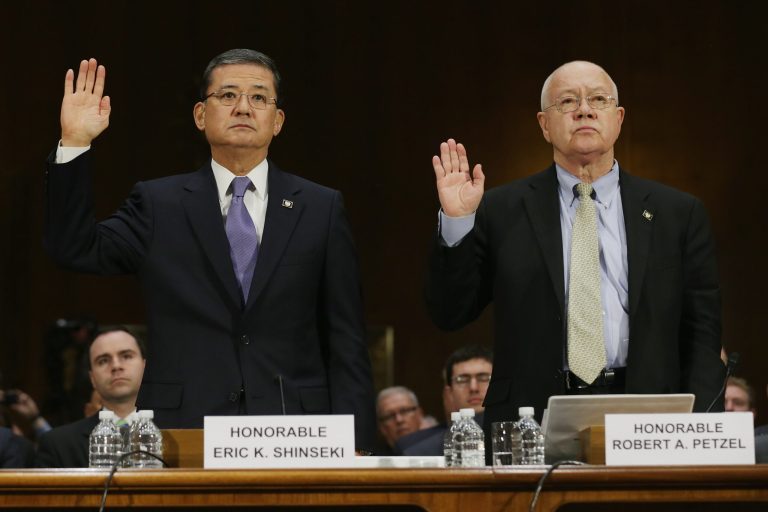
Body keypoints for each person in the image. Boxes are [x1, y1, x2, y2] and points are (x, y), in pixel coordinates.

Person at [44, 49, 375, 451]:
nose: (243, 107)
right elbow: (75, 248)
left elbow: (346, 339)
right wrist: (75, 144)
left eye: (258, 97)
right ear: (201, 116)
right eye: (228, 95)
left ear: (277, 121)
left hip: (295, 432)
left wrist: (359, 446)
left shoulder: (321, 208)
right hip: (184, 429)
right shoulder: (158, 204)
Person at [426, 60, 725, 436]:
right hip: (530, 416)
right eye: (567, 101)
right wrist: (458, 223)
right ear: (543, 125)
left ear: (618, 119)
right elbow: (450, 312)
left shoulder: (677, 213)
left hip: (650, 413)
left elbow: (702, 332)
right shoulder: (500, 210)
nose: (584, 109)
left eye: (598, 99)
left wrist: (701, 425)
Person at [36, 328, 146, 468]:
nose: (116, 366)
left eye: (126, 356)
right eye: (103, 361)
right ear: (92, 378)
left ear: (144, 366)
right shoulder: (58, 445)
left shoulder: (178, 434)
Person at [396, 344, 493, 456]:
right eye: (462, 380)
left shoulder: (511, 433)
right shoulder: (418, 450)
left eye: (483, 378)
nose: (473, 388)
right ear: (450, 392)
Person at [376, 386, 424, 454]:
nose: (399, 420)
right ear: (381, 427)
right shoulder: (373, 459)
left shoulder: (439, 452)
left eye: (404, 411)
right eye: (390, 416)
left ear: (419, 414)